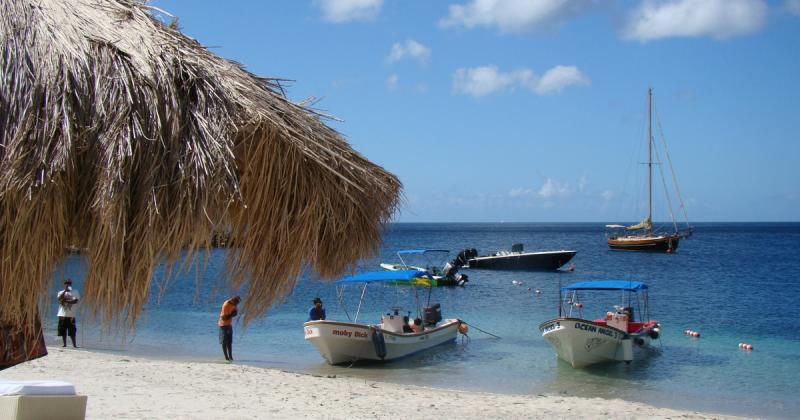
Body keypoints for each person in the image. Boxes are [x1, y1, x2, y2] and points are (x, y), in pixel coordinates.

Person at [56, 279, 80, 348]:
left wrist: (66, 301)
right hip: (62, 314)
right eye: (66, 284)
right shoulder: (61, 292)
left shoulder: (75, 292)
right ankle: (64, 344)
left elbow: (75, 301)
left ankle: (74, 345)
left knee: (72, 330)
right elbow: (59, 300)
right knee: (62, 330)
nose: (67, 285)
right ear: (64, 285)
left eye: (69, 284)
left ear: (71, 284)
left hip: (71, 315)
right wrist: (64, 292)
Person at [218, 296, 240, 361]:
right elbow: (224, 318)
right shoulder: (226, 304)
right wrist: (231, 314)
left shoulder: (234, 304)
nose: (236, 305)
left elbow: (235, 313)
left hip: (229, 324)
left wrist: (232, 314)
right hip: (223, 324)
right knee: (224, 341)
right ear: (233, 301)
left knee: (229, 342)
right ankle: (226, 357)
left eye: (237, 304)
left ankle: (230, 356)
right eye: (235, 304)